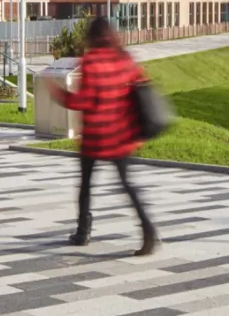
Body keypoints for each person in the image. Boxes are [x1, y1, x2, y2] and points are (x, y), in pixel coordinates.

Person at [50, 17, 158, 255]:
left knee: (86, 184)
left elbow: (84, 100)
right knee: (127, 184)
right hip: (122, 135)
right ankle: (148, 229)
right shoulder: (125, 58)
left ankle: (82, 232)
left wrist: (58, 93)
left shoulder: (91, 61)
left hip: (96, 136)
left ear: (91, 35)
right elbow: (141, 86)